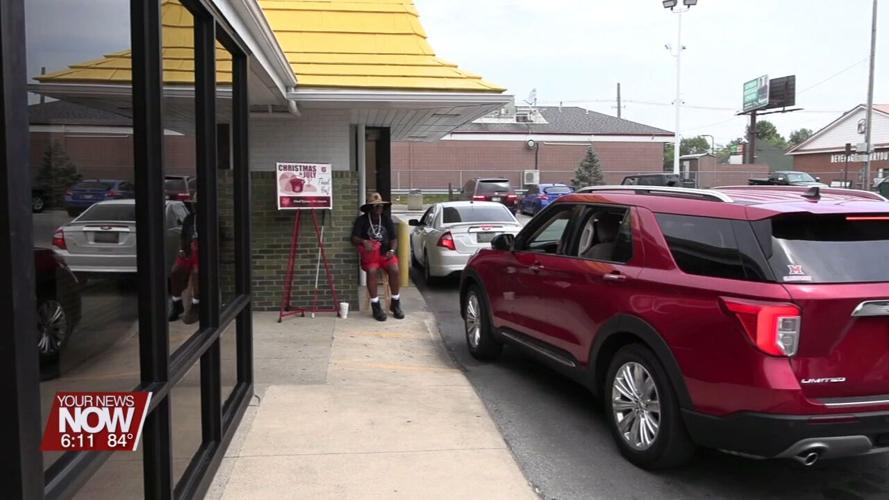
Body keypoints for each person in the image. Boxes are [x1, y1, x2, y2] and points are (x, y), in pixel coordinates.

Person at [351, 192, 404, 321]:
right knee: (372, 271)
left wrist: (392, 249)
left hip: (385, 254)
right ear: (370, 208)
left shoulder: (386, 219)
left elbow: (394, 238)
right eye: (375, 206)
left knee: (395, 269)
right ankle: (376, 306)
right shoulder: (362, 220)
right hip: (371, 256)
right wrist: (364, 241)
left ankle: (395, 303)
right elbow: (353, 238)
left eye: (380, 206)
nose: (379, 208)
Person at [169, 197, 200, 324]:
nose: (194, 206)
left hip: (202, 253)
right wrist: (182, 249)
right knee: (176, 271)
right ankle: (176, 303)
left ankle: (196, 305)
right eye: (194, 204)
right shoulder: (190, 218)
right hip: (189, 251)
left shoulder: (211, 217)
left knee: (197, 273)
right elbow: (183, 236)